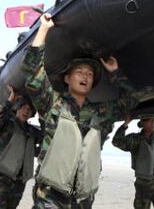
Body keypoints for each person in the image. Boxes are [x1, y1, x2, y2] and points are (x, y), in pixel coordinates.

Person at [23, 13, 139, 208]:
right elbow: (32, 73)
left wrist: (115, 73)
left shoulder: (100, 112)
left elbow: (131, 100)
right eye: (79, 72)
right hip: (50, 195)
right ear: (67, 78)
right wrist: (43, 29)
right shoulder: (53, 104)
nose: (85, 76)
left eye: (90, 74)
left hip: (83, 198)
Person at [0, 86, 43, 209]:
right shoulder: (8, 124)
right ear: (17, 108)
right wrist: (11, 99)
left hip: (19, 180)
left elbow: (47, 136)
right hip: (1, 177)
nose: (26, 111)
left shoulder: (33, 131)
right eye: (23, 107)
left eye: (29, 109)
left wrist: (42, 112)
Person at [112, 113, 154, 209]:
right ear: (142, 123)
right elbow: (116, 141)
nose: (153, 123)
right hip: (143, 184)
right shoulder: (134, 140)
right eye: (150, 120)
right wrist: (125, 125)